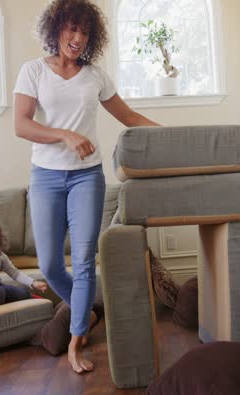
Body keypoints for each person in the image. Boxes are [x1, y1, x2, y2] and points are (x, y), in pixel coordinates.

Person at [14, 0, 159, 373]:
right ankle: (90, 311)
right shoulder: (32, 72)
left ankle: (76, 341)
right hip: (45, 176)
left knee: (81, 262)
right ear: (56, 28)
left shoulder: (95, 76)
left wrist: (170, 136)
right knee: (49, 265)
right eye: (71, 29)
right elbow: (22, 125)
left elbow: (128, 116)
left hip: (86, 177)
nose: (77, 38)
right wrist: (64, 135)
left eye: (84, 32)